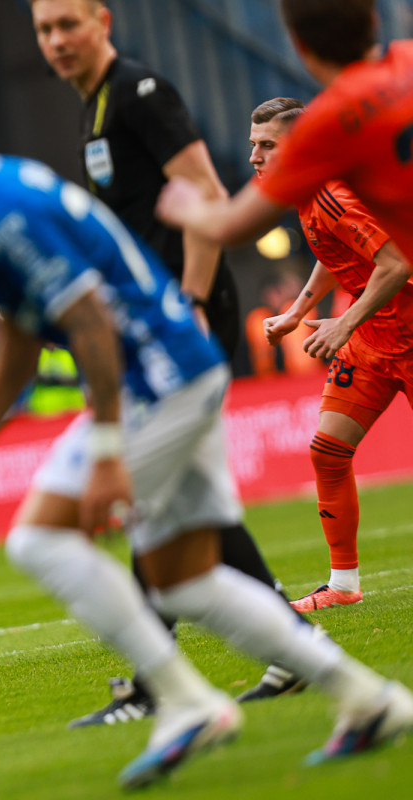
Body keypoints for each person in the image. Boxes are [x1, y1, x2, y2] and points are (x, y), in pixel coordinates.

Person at [0, 88, 413, 788]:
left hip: (160, 382)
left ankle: (183, 702)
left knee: (39, 541)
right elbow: (23, 330)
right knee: (186, 581)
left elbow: (88, 322)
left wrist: (110, 451)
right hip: (180, 370)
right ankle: (368, 701)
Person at [29, 0, 307, 722]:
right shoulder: (96, 106)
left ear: (102, 20)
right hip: (156, 322)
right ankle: (292, 646)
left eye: (68, 24)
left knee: (146, 494)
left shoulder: (139, 93)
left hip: (181, 319)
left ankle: (157, 686)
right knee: (183, 498)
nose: (56, 40)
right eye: (44, 29)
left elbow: (208, 195)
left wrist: (189, 301)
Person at [248, 96, 413, 612]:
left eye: (267, 145)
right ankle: (342, 585)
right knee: (328, 450)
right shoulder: (310, 194)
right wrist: (298, 311)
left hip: (403, 334)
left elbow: (395, 263)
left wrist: (344, 322)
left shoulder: (333, 194)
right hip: (373, 341)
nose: (254, 157)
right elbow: (335, 250)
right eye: (253, 144)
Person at [157, 0, 413, 281]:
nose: (255, 157)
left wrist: (188, 208)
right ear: (375, 21)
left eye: (267, 145)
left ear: (298, 44)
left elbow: (231, 226)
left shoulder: (327, 123)